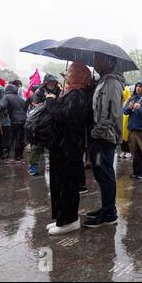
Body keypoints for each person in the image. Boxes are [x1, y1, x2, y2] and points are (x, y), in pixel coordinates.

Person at [45, 62, 91, 235]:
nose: (67, 74)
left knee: (67, 185)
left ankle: (69, 220)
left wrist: (50, 102)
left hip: (69, 148)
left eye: (71, 71)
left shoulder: (78, 95)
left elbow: (62, 115)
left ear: (79, 75)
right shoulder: (73, 93)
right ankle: (61, 219)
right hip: (63, 147)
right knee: (60, 183)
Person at [83, 53, 124, 229]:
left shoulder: (113, 83)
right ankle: (105, 207)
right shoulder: (102, 82)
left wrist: (96, 132)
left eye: (99, 58)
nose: (95, 61)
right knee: (100, 173)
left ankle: (109, 214)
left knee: (106, 174)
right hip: (98, 136)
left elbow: (112, 114)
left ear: (109, 62)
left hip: (104, 137)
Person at [28, 74, 62, 176]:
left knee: (55, 144)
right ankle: (33, 166)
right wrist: (47, 102)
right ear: (46, 82)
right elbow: (35, 104)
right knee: (37, 145)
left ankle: (56, 166)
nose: (52, 83)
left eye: (54, 82)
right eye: (50, 82)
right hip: (41, 121)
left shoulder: (59, 90)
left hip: (54, 120)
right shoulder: (39, 91)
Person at [0, 84, 28, 162]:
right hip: (24, 120)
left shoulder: (7, 96)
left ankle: (10, 156)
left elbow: (2, 106)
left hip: (14, 120)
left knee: (12, 139)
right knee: (20, 138)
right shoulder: (20, 98)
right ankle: (19, 156)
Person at [0, 85, 11, 159]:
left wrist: (2, 110)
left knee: (4, 138)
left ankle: (5, 152)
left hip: (5, 122)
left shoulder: (5, 99)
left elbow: (9, 109)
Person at [119, 85, 132, 159]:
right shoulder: (122, 102)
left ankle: (128, 151)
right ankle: (123, 150)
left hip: (127, 123)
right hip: (121, 123)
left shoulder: (129, 101)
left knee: (127, 138)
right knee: (122, 138)